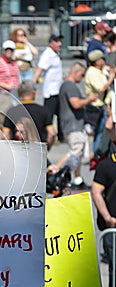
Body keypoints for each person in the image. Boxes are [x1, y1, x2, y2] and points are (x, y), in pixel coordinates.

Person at [59, 62, 98, 190]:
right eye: (81, 75)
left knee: (78, 154)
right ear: (76, 72)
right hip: (73, 125)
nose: (82, 78)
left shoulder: (67, 85)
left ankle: (77, 178)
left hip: (74, 125)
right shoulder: (70, 86)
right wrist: (89, 99)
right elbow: (75, 103)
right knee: (74, 152)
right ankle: (57, 171)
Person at [92, 151, 116, 287]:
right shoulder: (106, 166)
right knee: (115, 265)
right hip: (112, 228)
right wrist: (108, 218)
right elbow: (96, 191)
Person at [2, 80, 56, 150]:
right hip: (37, 151)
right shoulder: (44, 111)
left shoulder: (11, 111)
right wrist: (46, 149)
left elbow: (5, 135)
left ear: (20, 93)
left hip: (17, 151)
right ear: (34, 92)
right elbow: (52, 133)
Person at [33, 34, 64, 142]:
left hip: (57, 89)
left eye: (60, 41)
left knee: (61, 113)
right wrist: (33, 83)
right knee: (49, 115)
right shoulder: (47, 55)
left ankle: (61, 136)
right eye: (57, 41)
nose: (59, 44)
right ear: (51, 43)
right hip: (51, 91)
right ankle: (45, 137)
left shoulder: (55, 54)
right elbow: (39, 69)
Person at [84, 49, 115, 153]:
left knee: (102, 132)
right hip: (95, 107)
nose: (104, 61)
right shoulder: (92, 72)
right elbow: (101, 89)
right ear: (97, 61)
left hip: (103, 105)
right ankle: (97, 154)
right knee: (100, 133)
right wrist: (111, 78)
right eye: (102, 59)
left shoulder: (100, 71)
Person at [0, 40, 21, 139]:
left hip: (13, 95)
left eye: (11, 50)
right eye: (7, 49)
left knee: (13, 121)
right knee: (1, 122)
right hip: (2, 95)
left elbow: (17, 76)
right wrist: (5, 85)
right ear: (3, 50)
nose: (9, 52)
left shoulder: (14, 63)